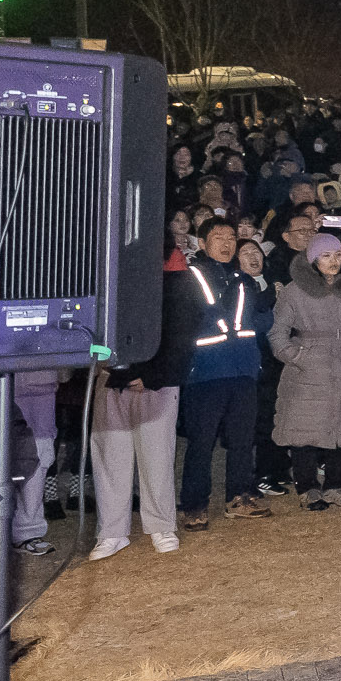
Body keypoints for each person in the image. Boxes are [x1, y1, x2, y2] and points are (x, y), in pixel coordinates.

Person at [89, 240, 198, 558]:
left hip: (155, 383)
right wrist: (98, 363)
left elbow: (183, 331)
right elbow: (95, 321)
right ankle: (111, 532)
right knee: (110, 457)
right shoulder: (106, 269)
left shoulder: (176, 274)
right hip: (110, 378)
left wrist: (154, 374)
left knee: (157, 457)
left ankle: (162, 526)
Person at [268, 233, 341, 510]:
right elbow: (278, 333)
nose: (333, 261)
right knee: (304, 429)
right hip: (308, 370)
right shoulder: (294, 291)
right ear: (313, 259)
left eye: (338, 255)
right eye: (326, 255)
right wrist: (298, 356)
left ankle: (335, 486)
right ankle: (307, 488)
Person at [178, 216, 269, 529]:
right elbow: (191, 320)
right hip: (205, 370)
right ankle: (193, 505)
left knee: (243, 439)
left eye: (231, 236)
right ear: (202, 243)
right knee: (201, 443)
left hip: (243, 368)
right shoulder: (191, 276)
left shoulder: (243, 279)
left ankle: (240, 496)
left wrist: (260, 325)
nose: (227, 242)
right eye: (218, 236)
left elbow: (257, 319)